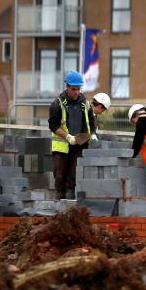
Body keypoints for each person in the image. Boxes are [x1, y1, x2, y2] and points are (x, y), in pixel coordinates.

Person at [48, 70, 97, 200]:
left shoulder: (85, 104)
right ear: (67, 87)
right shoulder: (57, 104)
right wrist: (68, 137)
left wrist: (92, 135)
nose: (76, 92)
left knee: (73, 177)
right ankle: (59, 202)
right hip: (62, 146)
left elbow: (91, 122)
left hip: (79, 146)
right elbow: (53, 125)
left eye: (78, 89)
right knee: (59, 176)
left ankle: (70, 206)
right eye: (73, 89)